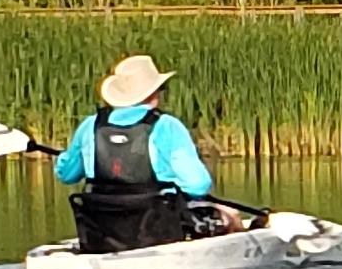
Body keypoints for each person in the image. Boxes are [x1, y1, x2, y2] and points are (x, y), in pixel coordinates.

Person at [55, 54, 238, 253]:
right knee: (230, 214)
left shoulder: (90, 125)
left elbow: (66, 174)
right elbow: (198, 185)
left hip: (102, 232)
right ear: (154, 92)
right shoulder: (167, 126)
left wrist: (70, 156)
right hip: (157, 229)